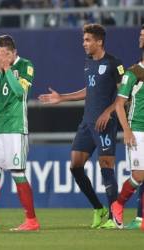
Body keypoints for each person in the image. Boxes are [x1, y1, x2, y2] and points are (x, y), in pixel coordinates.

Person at [39, 23, 124, 229]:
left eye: (87, 40)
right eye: (83, 39)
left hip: (105, 123)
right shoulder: (88, 63)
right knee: (75, 165)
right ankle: (98, 208)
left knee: (106, 166)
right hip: (87, 122)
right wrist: (62, 98)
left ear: (99, 41)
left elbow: (125, 96)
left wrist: (108, 111)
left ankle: (115, 218)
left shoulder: (114, 64)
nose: (83, 43)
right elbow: (89, 90)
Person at [0, 34, 40, 231]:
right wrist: (0, 71)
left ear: (13, 54)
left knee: (18, 173)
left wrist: (9, 71)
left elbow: (20, 92)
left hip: (15, 127)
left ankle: (31, 220)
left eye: (4, 53)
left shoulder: (26, 65)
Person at [111, 25, 144, 230]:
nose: (141, 36)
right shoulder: (133, 72)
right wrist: (127, 130)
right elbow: (119, 104)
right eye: (140, 34)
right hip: (137, 129)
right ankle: (118, 204)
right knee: (139, 176)